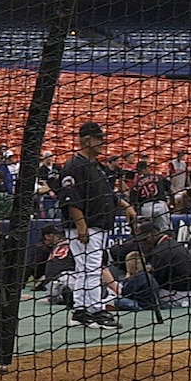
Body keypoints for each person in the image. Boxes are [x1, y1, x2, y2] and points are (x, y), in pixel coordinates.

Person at [57, 120, 132, 326]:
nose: (102, 143)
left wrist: (125, 205)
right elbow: (71, 199)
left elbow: (106, 193)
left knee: (84, 269)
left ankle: (81, 311)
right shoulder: (74, 165)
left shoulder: (95, 166)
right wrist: (81, 226)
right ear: (86, 140)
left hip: (95, 226)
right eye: (99, 139)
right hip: (87, 226)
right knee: (92, 268)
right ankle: (95, 312)